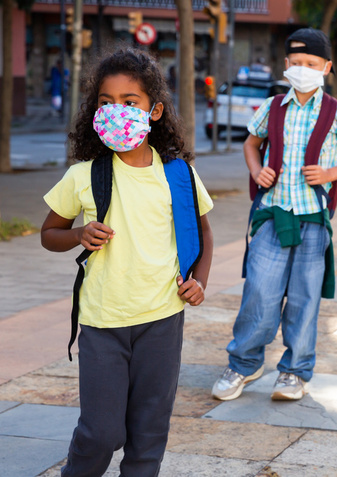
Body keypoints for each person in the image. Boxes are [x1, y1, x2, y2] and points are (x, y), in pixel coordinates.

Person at [40, 48, 214, 475]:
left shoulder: (178, 174)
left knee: (148, 433)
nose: (116, 111)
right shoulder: (84, 175)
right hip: (103, 321)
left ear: (154, 111)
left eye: (129, 102)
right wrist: (79, 234)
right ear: (94, 110)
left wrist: (200, 281)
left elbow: (204, 234)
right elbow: (49, 234)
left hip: (162, 318)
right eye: (105, 102)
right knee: (100, 433)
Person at [211, 28, 337, 402]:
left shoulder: (336, 112)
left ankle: (295, 372)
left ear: (326, 67)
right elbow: (251, 145)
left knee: (303, 299)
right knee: (259, 293)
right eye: (296, 63)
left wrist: (330, 174)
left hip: (313, 220)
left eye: (311, 64)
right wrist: (256, 170)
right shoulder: (272, 107)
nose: (303, 69)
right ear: (286, 65)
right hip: (272, 214)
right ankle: (244, 364)